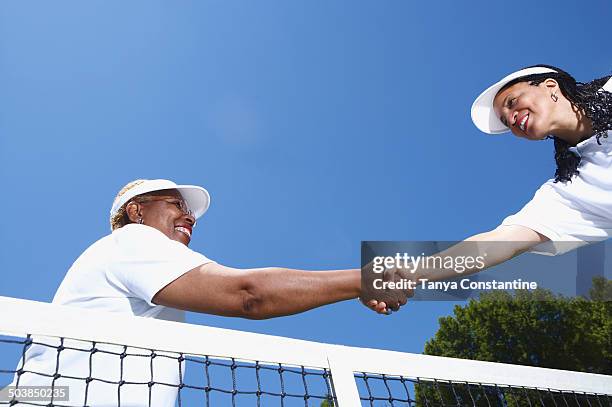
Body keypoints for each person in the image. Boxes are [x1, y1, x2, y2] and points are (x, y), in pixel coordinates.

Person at [11, 179, 407, 407]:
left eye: (190, 211)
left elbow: (39, 382)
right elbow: (250, 295)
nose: (188, 216)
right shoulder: (132, 242)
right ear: (136, 212)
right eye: (174, 204)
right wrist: (363, 278)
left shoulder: (133, 270)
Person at [367, 64, 612, 313]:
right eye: (506, 121)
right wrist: (411, 273)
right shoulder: (572, 191)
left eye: (512, 101)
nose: (512, 119)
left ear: (550, 85)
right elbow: (498, 243)